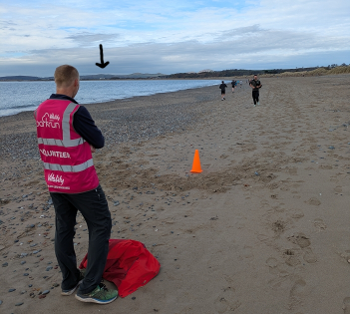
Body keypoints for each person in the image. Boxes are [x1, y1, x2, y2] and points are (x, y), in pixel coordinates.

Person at [34, 65, 118, 304]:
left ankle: (69, 281)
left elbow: (57, 138)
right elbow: (98, 141)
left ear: (56, 82)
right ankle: (89, 287)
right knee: (101, 225)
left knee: (64, 228)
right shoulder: (75, 110)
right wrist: (86, 143)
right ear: (75, 83)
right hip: (81, 182)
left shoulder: (40, 110)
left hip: (54, 180)